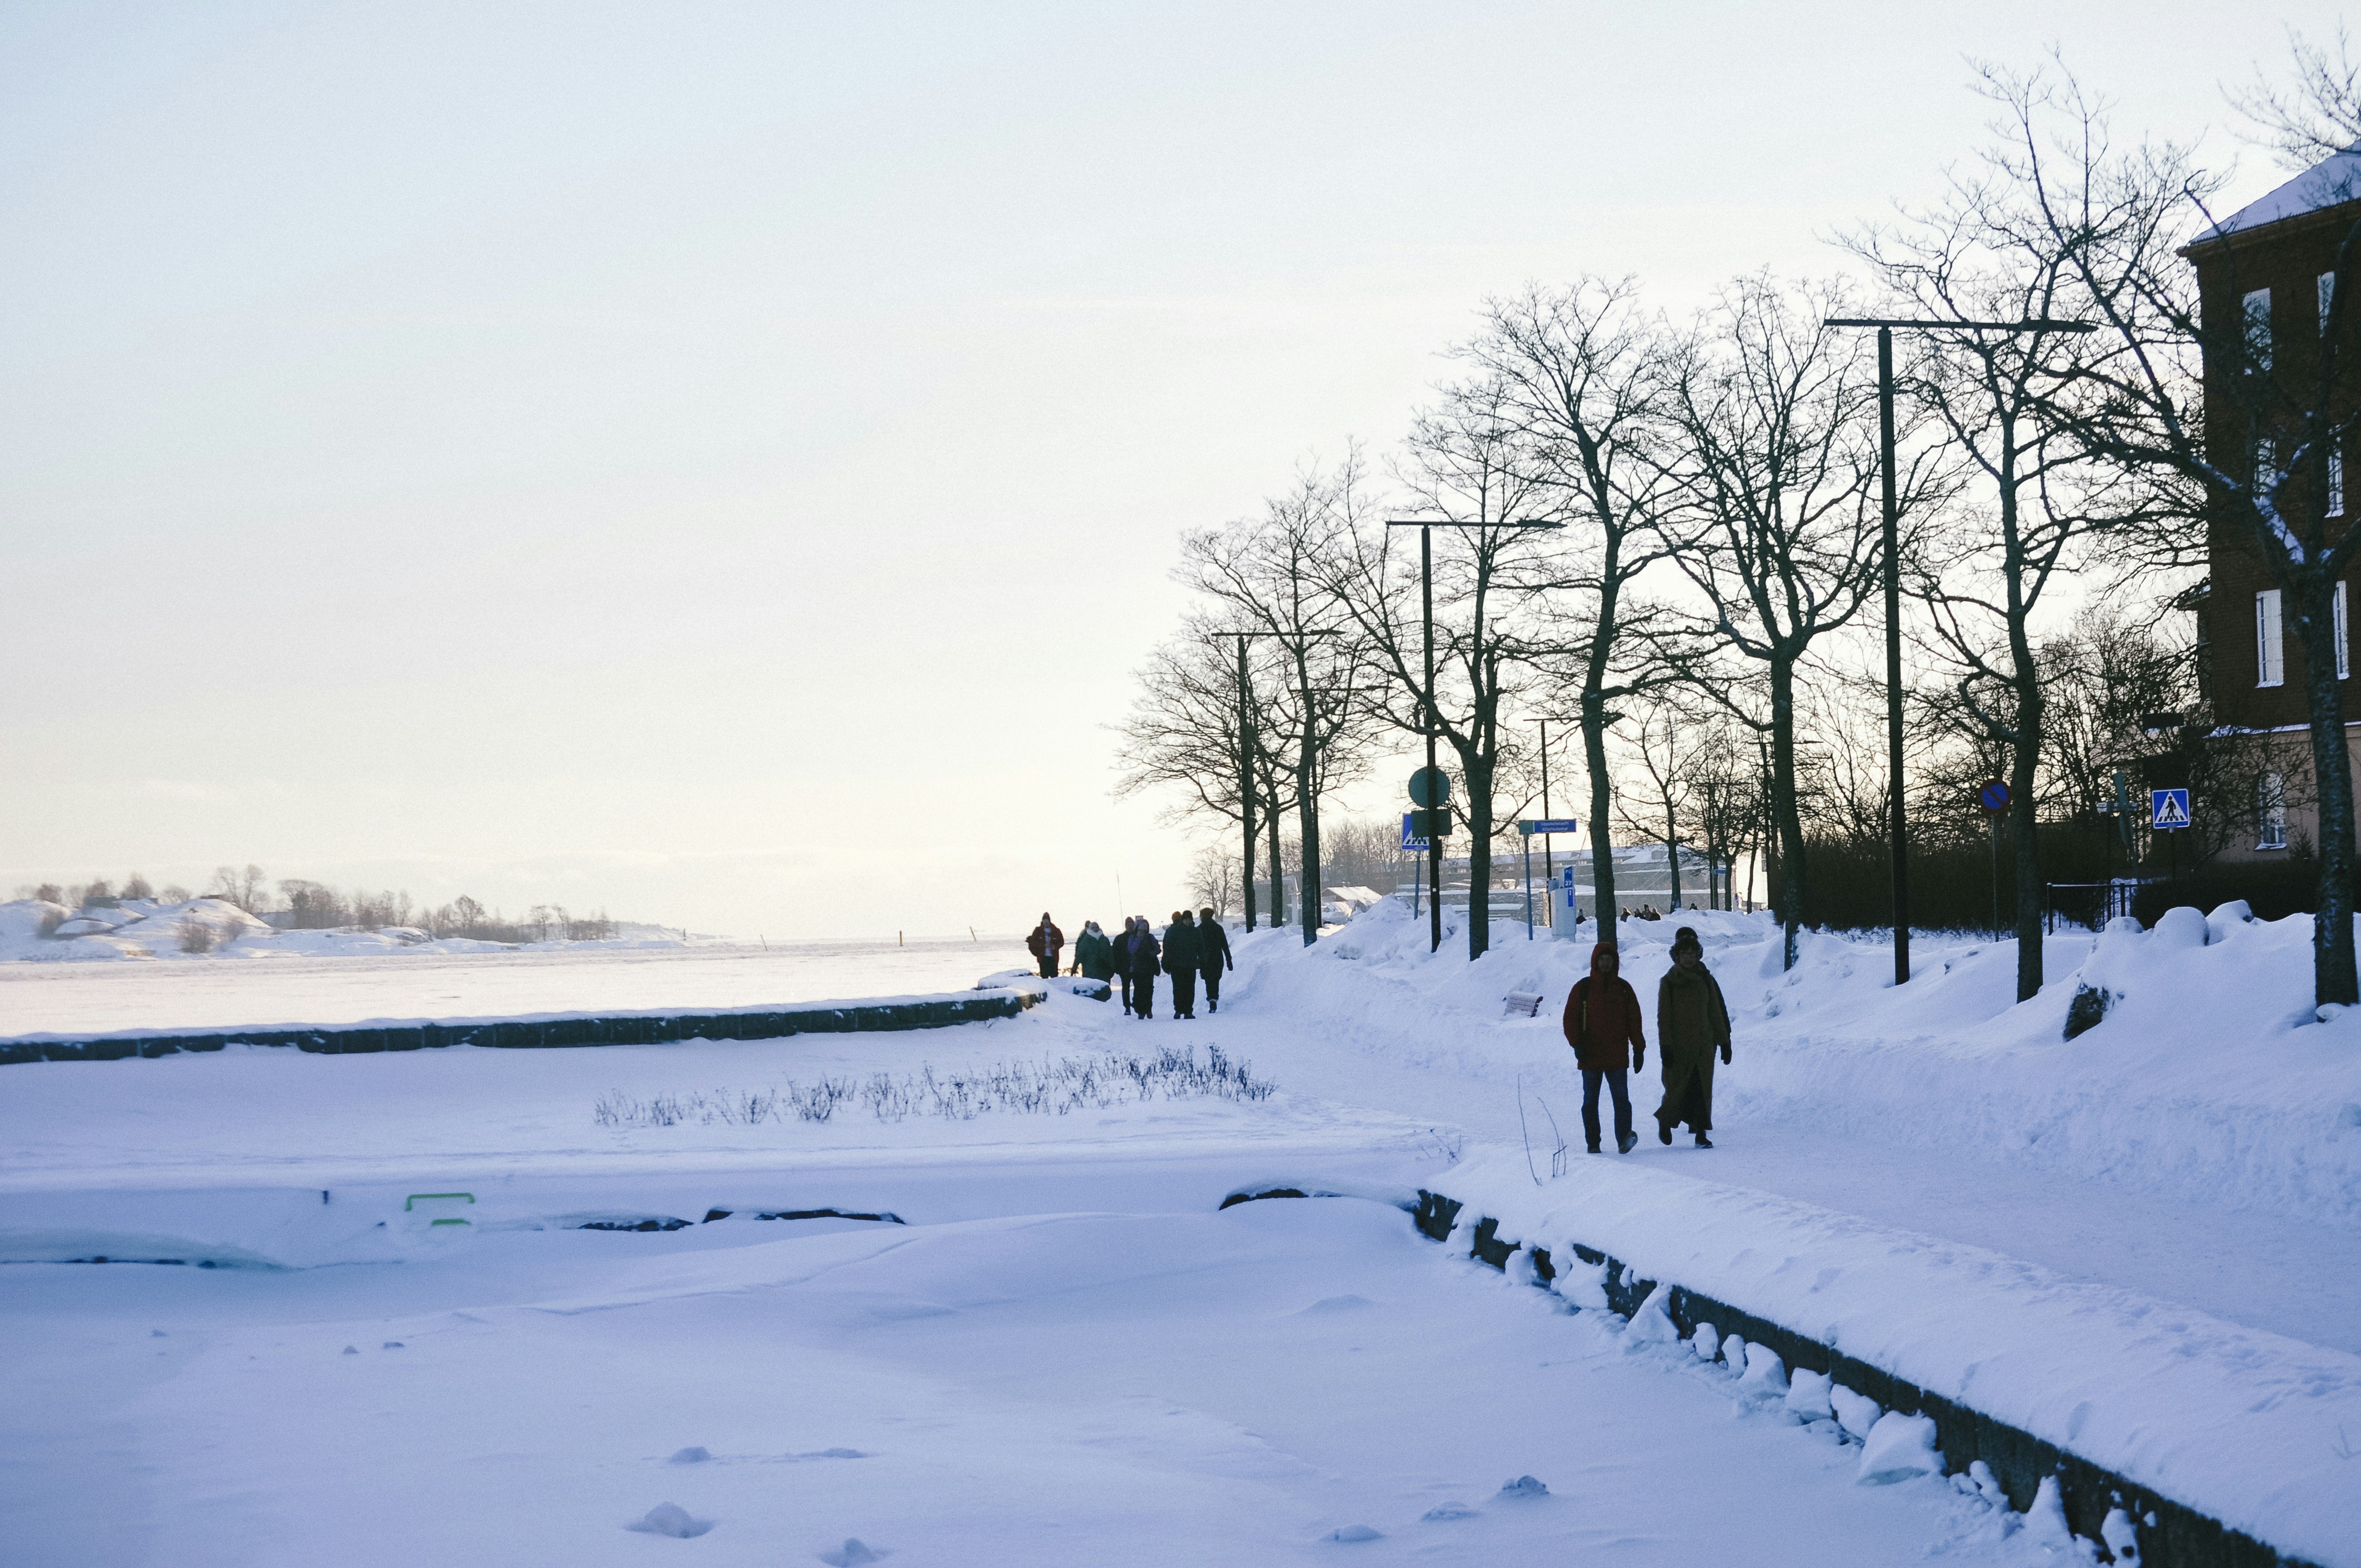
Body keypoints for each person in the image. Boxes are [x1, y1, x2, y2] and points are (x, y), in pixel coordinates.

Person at [1563, 941, 1646, 1155]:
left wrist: (1639, 1048)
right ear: (1595, 961)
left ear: (1615, 962)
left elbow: (1634, 1020)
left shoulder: (1624, 989)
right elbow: (1570, 1019)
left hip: (1617, 1055)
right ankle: (1593, 1142)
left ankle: (1624, 1139)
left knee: (1622, 1100)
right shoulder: (1583, 988)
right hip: (1590, 1054)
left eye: (1610, 959)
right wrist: (1577, 1044)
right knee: (1590, 1102)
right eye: (1603, 959)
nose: (1606, 963)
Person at [1655, 926, 1732, 1148]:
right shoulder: (1668, 982)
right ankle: (1665, 1122)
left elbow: (1715, 1012)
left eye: (1692, 953)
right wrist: (1665, 1046)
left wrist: (1724, 1042)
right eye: (1684, 954)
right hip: (1678, 1047)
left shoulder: (1706, 980)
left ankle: (1700, 1134)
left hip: (1703, 1047)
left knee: (1701, 1090)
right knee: (1676, 1089)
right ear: (1677, 957)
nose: (1688, 958)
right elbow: (1664, 1018)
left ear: (1698, 955)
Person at [1162, 909, 1203, 1019]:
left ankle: (1188, 1010)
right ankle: (1179, 1010)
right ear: (1183, 920)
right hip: (1177, 965)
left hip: (1189, 965)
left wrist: (1202, 962)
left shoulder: (1195, 932)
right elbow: (1168, 948)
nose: (1188, 922)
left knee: (1189, 988)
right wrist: (1167, 962)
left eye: (1190, 920)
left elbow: (1200, 948)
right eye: (1186, 920)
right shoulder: (1176, 931)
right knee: (1179, 988)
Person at [1196, 907, 1233, 1012]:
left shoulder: (1199, 929)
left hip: (1205, 959)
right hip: (1217, 958)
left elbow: (1196, 946)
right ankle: (1214, 998)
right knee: (1215, 980)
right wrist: (1229, 960)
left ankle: (1211, 999)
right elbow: (1225, 945)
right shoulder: (1218, 928)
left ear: (1202, 916)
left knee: (1208, 980)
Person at [1126, 916, 1161, 1019]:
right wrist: (1139, 940)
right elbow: (1131, 950)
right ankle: (1140, 1010)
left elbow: (1158, 949)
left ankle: (1148, 1009)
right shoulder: (1133, 938)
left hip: (1149, 968)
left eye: (1145, 927)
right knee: (1139, 989)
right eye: (1141, 927)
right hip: (1137, 968)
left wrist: (1150, 954)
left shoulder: (1150, 937)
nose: (1143, 929)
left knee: (1149, 989)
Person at [1074, 921, 1115, 987]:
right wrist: (1075, 968)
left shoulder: (1104, 940)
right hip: (1092, 973)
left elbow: (1110, 956)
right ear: (1090, 929)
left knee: (1102, 993)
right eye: (1094, 927)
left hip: (1102, 972)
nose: (1096, 928)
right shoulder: (1085, 941)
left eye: (1097, 927)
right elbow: (1080, 956)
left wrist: (1112, 968)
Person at [1025, 913, 1064, 980]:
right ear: (1042, 921)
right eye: (1044, 921)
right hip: (1043, 957)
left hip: (1053, 957)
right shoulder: (1038, 931)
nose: (1046, 923)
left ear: (1050, 921)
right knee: (1044, 978)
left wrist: (1055, 946)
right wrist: (1043, 945)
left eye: (1047, 921)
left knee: (1054, 978)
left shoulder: (1056, 930)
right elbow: (1034, 942)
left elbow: (1062, 942)